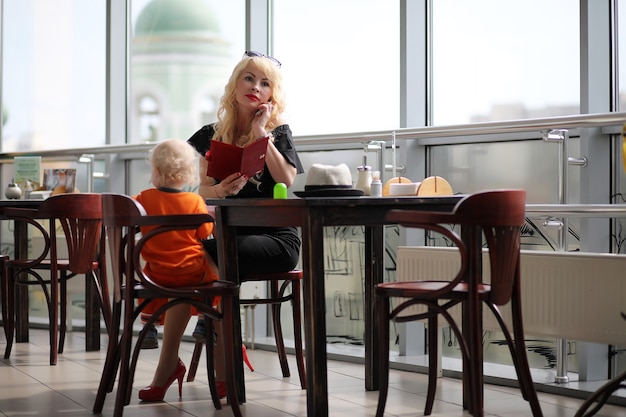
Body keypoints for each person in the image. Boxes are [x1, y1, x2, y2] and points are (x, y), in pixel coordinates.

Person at [187, 50, 304, 395]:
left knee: (221, 254)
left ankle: (210, 321)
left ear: (271, 95)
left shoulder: (277, 132)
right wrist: (221, 189)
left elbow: (288, 178)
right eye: (249, 78)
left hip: (277, 239)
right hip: (227, 237)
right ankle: (215, 337)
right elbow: (200, 189)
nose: (256, 87)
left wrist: (258, 132)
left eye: (265, 83)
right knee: (205, 248)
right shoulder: (210, 134)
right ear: (235, 84)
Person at [133, 138, 218, 402]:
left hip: (155, 276)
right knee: (216, 271)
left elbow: (129, 220)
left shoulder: (143, 199)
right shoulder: (195, 201)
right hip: (191, 273)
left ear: (156, 172)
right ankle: (207, 318)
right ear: (189, 174)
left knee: (157, 270)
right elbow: (205, 232)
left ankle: (149, 322)